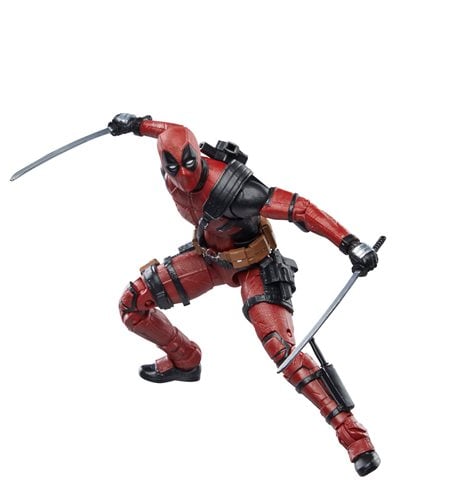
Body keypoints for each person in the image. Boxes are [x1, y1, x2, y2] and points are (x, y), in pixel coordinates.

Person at [110, 113, 381, 476]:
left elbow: (300, 209)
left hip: (257, 264)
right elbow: (164, 131)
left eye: (189, 163)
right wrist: (134, 123)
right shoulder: (168, 166)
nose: (182, 173)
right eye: (173, 166)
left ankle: (355, 438)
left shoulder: (236, 191)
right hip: (210, 258)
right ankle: (185, 360)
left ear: (198, 155)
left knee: (283, 350)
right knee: (133, 304)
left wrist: (351, 244)